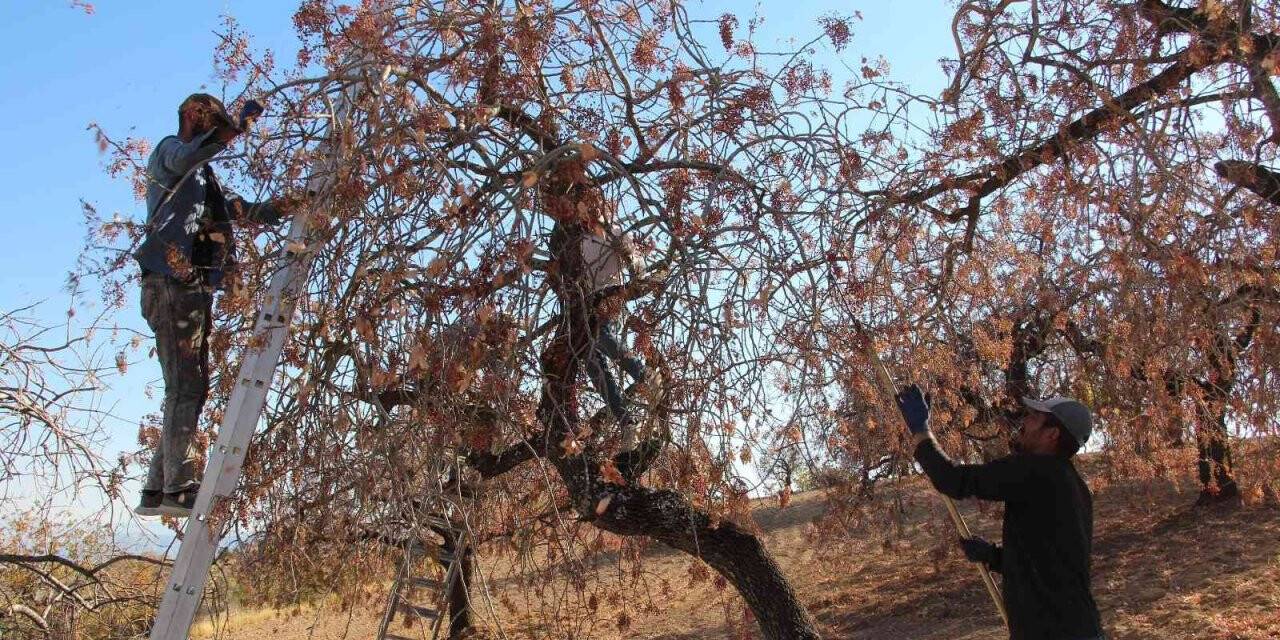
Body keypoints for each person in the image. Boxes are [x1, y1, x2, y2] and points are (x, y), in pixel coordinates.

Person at [133, 94, 288, 517]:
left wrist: (287, 205)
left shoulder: (205, 183)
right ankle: (177, 486)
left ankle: (157, 488)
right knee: (185, 386)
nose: (212, 128)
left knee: (189, 385)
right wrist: (233, 129)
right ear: (188, 114)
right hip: (170, 282)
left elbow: (241, 209)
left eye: (216, 122)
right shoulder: (170, 152)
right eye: (208, 119)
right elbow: (187, 157)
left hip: (188, 286)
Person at [895, 385, 1105, 640]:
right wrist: (994, 557)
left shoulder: (1035, 471)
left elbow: (952, 480)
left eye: (1034, 418)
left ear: (1052, 434)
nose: (1025, 421)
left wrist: (921, 431)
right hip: (1076, 627)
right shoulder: (1073, 485)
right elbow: (1052, 562)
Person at [578, 218, 648, 449]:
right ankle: (627, 422)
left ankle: (645, 376)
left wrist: (628, 254)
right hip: (588, 305)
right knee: (591, 362)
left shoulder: (615, 230)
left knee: (602, 336)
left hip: (612, 297)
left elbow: (640, 268)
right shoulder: (578, 239)